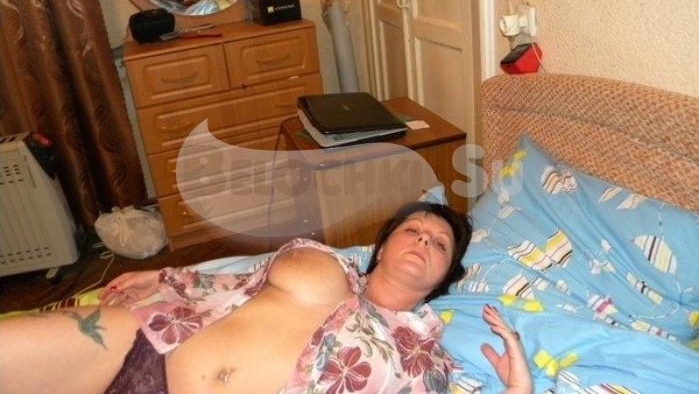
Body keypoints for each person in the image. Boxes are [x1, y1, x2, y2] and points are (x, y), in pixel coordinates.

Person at [0, 202, 532, 394]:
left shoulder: (423, 356)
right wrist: (165, 276)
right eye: (412, 229)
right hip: (144, 343)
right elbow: (238, 283)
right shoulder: (328, 262)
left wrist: (515, 391)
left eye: (439, 243)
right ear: (383, 244)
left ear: (444, 279)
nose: (423, 240)